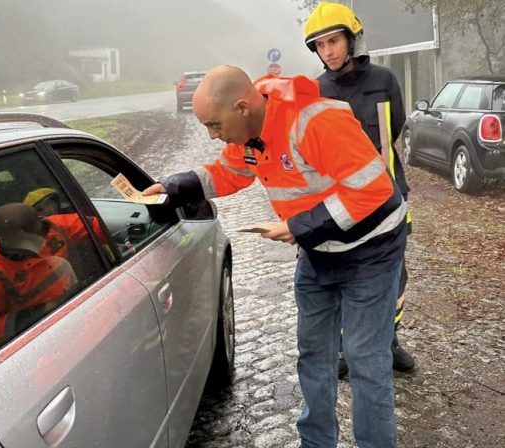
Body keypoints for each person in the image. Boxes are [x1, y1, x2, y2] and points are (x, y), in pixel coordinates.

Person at [142, 65, 407, 447]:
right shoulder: (251, 132)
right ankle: (315, 443)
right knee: (314, 354)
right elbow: (229, 171)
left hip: (372, 253)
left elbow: (374, 191)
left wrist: (299, 227)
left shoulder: (315, 122)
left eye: (214, 125)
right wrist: (173, 187)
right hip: (319, 253)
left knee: (365, 361)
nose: (213, 136)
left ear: (242, 106)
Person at [304, 1, 415, 377]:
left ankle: (389, 339)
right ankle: (344, 349)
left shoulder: (384, 80)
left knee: (394, 276)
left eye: (334, 41)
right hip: (339, 205)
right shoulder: (315, 90)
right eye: (320, 45)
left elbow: (394, 128)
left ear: (351, 40)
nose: (328, 51)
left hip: (387, 199)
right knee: (341, 277)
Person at [0, 203, 76, 348]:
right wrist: (41, 312)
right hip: (33, 342)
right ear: (4, 241)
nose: (38, 242)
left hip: (69, 319)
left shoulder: (55, 232)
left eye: (38, 234)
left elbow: (90, 224)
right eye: (26, 240)